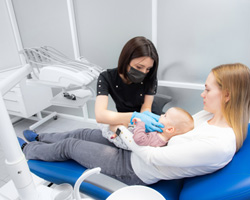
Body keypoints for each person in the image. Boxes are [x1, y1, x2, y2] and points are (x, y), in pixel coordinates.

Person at [18, 63, 250, 186]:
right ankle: (40, 139)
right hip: (137, 149)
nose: (202, 94)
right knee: (84, 132)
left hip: (136, 168)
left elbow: (152, 158)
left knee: (71, 146)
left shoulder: (219, 143)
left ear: (227, 95)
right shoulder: (205, 116)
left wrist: (121, 130)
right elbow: (171, 131)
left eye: (207, 89)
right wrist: (143, 125)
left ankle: (25, 150)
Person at [95, 36, 164, 133]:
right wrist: (134, 117)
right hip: (126, 118)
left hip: (149, 117)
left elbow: (146, 107)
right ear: (126, 60)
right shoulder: (106, 77)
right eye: (139, 67)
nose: (144, 72)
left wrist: (142, 122)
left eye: (148, 69)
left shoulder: (150, 77)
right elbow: (100, 115)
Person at [100, 107, 194, 149]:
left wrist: (141, 124)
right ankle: (115, 131)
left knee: (111, 125)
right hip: (133, 132)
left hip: (126, 142)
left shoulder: (158, 140)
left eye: (165, 116)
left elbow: (139, 139)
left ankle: (113, 132)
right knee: (123, 122)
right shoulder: (162, 135)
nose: (161, 115)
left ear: (169, 129)